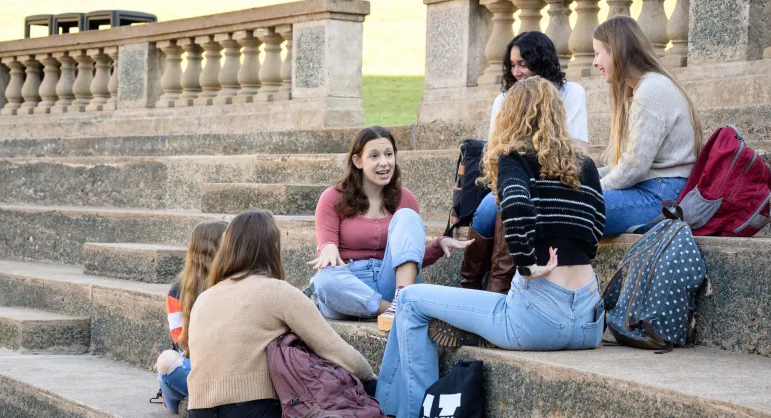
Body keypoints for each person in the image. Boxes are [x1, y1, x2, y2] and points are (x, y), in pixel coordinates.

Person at [375, 77, 606, 418]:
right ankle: (382, 405)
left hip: (536, 320)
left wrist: (527, 264)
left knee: (409, 299)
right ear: (557, 113)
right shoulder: (583, 164)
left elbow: (514, 205)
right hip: (589, 321)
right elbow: (597, 224)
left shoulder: (515, 156)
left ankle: (410, 412)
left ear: (511, 115)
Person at [185, 210, 376, 418]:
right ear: (272, 247)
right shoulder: (277, 291)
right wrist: (373, 380)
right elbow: (336, 351)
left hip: (197, 408)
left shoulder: (204, 298)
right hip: (252, 407)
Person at [307, 126, 472, 331]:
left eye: (389, 154)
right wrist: (327, 248)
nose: (384, 162)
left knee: (407, 216)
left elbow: (410, 258)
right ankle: (396, 309)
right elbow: (327, 249)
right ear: (358, 161)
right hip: (351, 287)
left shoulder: (406, 199)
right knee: (324, 280)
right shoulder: (332, 197)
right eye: (374, 156)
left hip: (393, 284)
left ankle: (400, 301)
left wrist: (439, 245)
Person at [464, 31, 590, 294]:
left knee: (513, 203)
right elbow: (495, 155)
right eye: (512, 65)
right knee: (492, 208)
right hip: (511, 179)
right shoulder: (504, 100)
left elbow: (577, 151)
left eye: (523, 63)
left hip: (555, 178)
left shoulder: (571, 93)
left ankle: (499, 284)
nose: (517, 71)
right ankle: (473, 282)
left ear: (541, 61)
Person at [592, 16, 703, 237]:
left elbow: (634, 168)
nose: (594, 62)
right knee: (561, 200)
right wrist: (584, 179)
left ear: (616, 51)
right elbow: (624, 166)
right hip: (653, 189)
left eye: (597, 53)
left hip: (661, 196)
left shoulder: (651, 90)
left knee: (567, 209)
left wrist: (591, 188)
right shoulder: (643, 88)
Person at [154, 220, 227, 414]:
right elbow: (181, 341)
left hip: (228, 370)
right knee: (167, 361)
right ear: (211, 249)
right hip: (193, 363)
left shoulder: (234, 282)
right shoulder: (178, 290)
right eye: (227, 242)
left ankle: (203, 399)